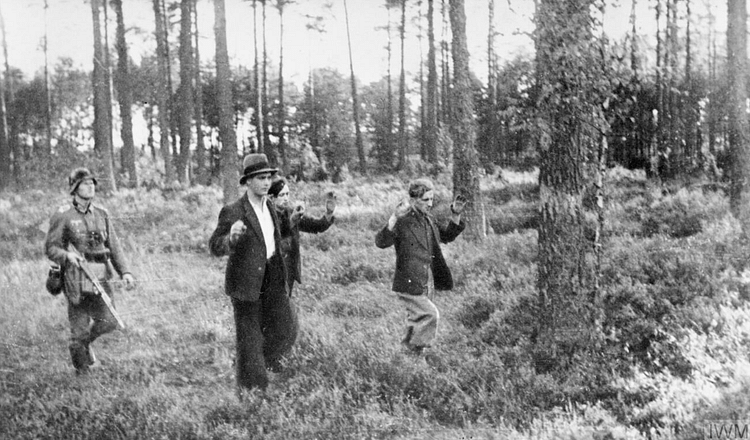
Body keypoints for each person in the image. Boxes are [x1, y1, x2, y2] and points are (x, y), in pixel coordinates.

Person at [209, 153, 298, 393]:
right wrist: (231, 238)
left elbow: (280, 237)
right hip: (245, 283)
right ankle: (253, 393)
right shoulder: (233, 211)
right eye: (260, 178)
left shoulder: (271, 206)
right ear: (247, 181)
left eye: (268, 177)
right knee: (249, 340)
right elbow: (214, 246)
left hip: (272, 278)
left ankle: (252, 365)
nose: (266, 182)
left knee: (286, 329)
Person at [45, 167, 136, 375]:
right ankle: (82, 373)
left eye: (92, 183)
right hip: (76, 278)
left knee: (110, 321)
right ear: (75, 188)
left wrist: (126, 272)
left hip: (101, 276)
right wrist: (67, 256)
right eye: (85, 183)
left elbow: (114, 246)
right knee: (79, 330)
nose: (90, 186)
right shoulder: (63, 215)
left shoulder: (102, 214)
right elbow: (51, 248)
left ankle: (84, 346)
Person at [375, 178, 466, 354]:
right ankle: (416, 356)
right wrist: (394, 217)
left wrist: (455, 214)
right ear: (414, 199)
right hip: (408, 281)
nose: (430, 204)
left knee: (416, 321)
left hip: (427, 280)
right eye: (426, 200)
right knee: (431, 315)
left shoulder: (428, 219)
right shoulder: (402, 220)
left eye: (432, 199)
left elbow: (446, 236)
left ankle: (407, 358)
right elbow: (381, 242)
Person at [267, 177, 336, 295]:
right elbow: (276, 234)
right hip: (272, 270)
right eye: (282, 195)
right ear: (272, 198)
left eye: (287, 194)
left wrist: (329, 212)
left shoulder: (290, 212)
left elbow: (316, 226)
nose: (286, 198)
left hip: (289, 267)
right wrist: (292, 221)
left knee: (285, 304)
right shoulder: (266, 215)